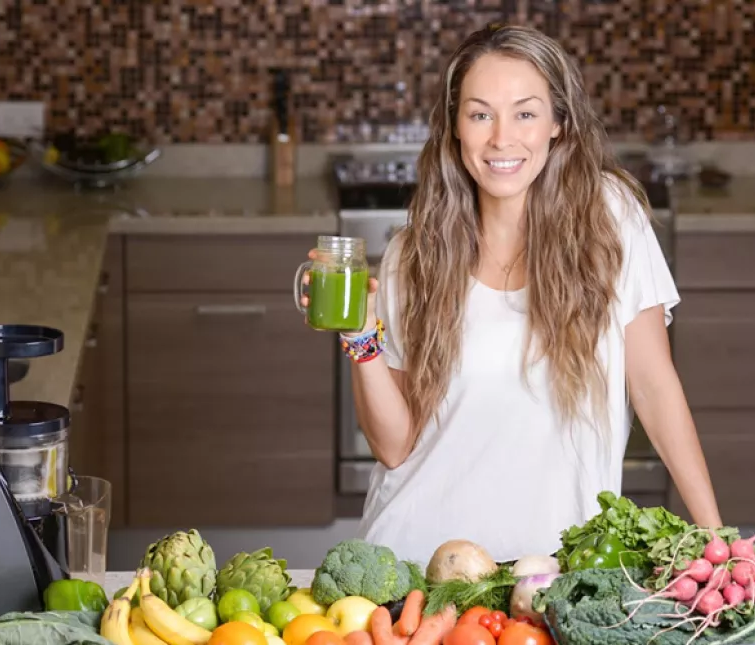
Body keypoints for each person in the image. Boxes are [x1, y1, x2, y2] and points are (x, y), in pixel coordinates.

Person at [301, 23, 722, 566]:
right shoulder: (415, 254)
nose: (502, 138)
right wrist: (360, 335)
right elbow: (396, 447)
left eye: (525, 112)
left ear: (558, 124)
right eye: (480, 114)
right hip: (419, 567)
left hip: (556, 574)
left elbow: (654, 385)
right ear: (455, 127)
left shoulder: (609, 220)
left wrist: (718, 540)